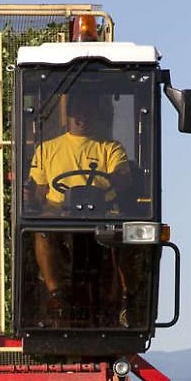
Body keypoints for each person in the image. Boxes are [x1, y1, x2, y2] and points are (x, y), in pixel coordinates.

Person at [28, 90, 133, 324]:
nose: (82, 116)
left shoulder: (110, 148)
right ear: (68, 114)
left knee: (126, 237)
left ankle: (124, 299)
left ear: (96, 114)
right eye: (77, 111)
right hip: (58, 212)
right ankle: (56, 295)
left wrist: (115, 177)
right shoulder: (46, 149)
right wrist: (31, 196)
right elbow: (39, 190)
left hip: (103, 211)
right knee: (40, 229)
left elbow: (123, 178)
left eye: (87, 110)